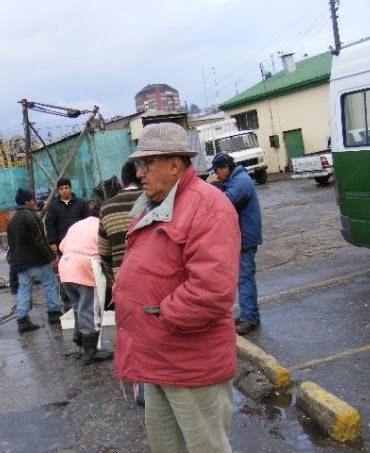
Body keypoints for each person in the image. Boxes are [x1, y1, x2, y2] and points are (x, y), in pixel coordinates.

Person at [113, 122, 240, 452]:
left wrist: (159, 316)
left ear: (174, 164)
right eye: (139, 165)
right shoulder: (152, 204)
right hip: (158, 359)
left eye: (146, 164)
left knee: (206, 447)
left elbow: (211, 290)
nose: (139, 173)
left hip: (191, 364)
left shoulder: (206, 206)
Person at [208, 152, 263, 335]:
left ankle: (249, 319)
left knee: (245, 278)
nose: (216, 174)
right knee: (244, 278)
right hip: (243, 237)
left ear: (225, 168)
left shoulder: (241, 182)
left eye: (217, 170)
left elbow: (225, 203)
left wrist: (214, 186)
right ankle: (250, 313)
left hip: (245, 238)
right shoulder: (237, 179)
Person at [58, 201, 113, 365]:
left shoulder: (78, 224)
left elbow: (62, 246)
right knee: (90, 307)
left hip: (66, 266)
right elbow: (105, 250)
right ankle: (90, 352)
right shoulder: (101, 225)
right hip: (86, 265)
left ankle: (80, 340)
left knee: (78, 307)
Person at [7, 188, 62, 333]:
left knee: (24, 288)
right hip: (35, 261)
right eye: (33, 199)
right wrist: (51, 257)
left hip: (18, 263)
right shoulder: (32, 217)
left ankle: (22, 319)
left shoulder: (12, 220)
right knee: (51, 283)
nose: (35, 202)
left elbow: (11, 245)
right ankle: (54, 313)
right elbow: (41, 241)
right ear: (27, 201)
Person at [45, 177, 90, 310]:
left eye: (66, 188)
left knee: (82, 268)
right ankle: (66, 298)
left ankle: (84, 294)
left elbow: (88, 221)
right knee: (64, 271)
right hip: (62, 245)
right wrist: (52, 241)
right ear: (58, 191)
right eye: (61, 189)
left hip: (80, 244)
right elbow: (50, 224)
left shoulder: (81, 204)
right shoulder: (53, 207)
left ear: (70, 188)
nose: (64, 191)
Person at [98, 160, 143, 285]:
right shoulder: (154, 200)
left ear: (123, 181)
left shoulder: (107, 207)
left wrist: (113, 273)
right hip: (154, 273)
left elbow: (104, 250)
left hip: (122, 275)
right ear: (142, 176)